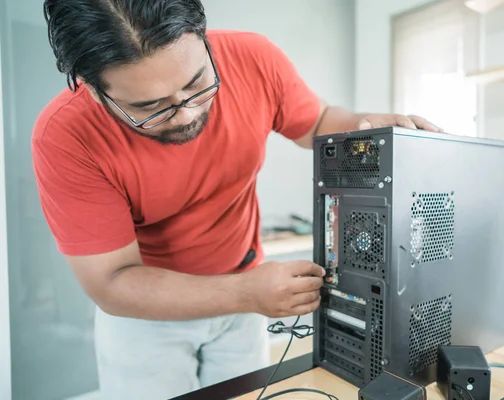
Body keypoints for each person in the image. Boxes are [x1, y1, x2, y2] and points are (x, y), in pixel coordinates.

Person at [33, 0, 442, 399]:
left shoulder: (253, 57)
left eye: (197, 84)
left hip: (245, 295)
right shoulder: (65, 136)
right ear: (91, 87)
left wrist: (363, 127)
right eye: (150, 107)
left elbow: (315, 123)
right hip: (148, 315)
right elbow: (113, 281)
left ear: (202, 36)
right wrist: (245, 293)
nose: (186, 115)